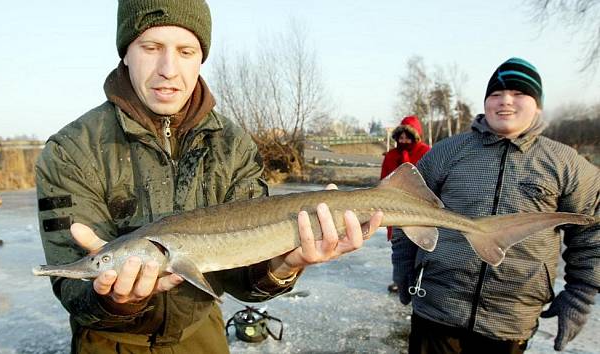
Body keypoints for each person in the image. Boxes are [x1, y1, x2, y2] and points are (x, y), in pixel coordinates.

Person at [35, 1, 382, 353]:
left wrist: (285, 264)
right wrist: (115, 299)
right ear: (126, 52)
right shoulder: (71, 150)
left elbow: (243, 278)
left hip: (203, 336)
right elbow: (72, 289)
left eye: (186, 51)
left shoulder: (232, 145)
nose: (168, 69)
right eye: (151, 48)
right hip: (110, 343)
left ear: (201, 57)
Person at [392, 57, 599, 353]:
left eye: (518, 94)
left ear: (537, 104)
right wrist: (402, 267)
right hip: (437, 306)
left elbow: (593, 232)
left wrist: (580, 295)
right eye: (496, 94)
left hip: (510, 319)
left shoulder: (565, 164)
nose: (505, 102)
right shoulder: (448, 152)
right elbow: (402, 210)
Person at [380, 115, 430, 292]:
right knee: (399, 251)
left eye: (406, 137)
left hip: (420, 208)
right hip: (394, 208)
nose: (403, 140)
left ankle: (419, 283)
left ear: (414, 137)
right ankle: (400, 282)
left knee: (420, 249)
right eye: (400, 137)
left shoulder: (426, 152)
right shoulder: (391, 156)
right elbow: (383, 179)